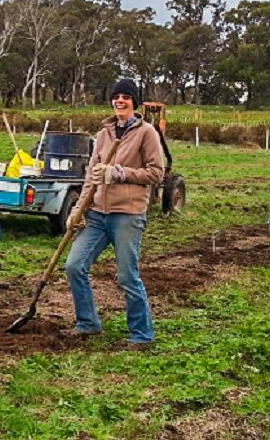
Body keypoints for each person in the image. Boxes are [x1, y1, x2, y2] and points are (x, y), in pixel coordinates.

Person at [63, 78, 164, 346]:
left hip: (127, 215)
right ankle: (87, 323)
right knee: (74, 265)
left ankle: (142, 335)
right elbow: (91, 176)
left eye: (126, 97)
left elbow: (156, 173)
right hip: (96, 214)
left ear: (134, 102)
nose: (120, 100)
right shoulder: (105, 133)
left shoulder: (147, 133)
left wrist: (119, 173)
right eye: (116, 96)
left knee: (127, 275)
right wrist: (78, 208)